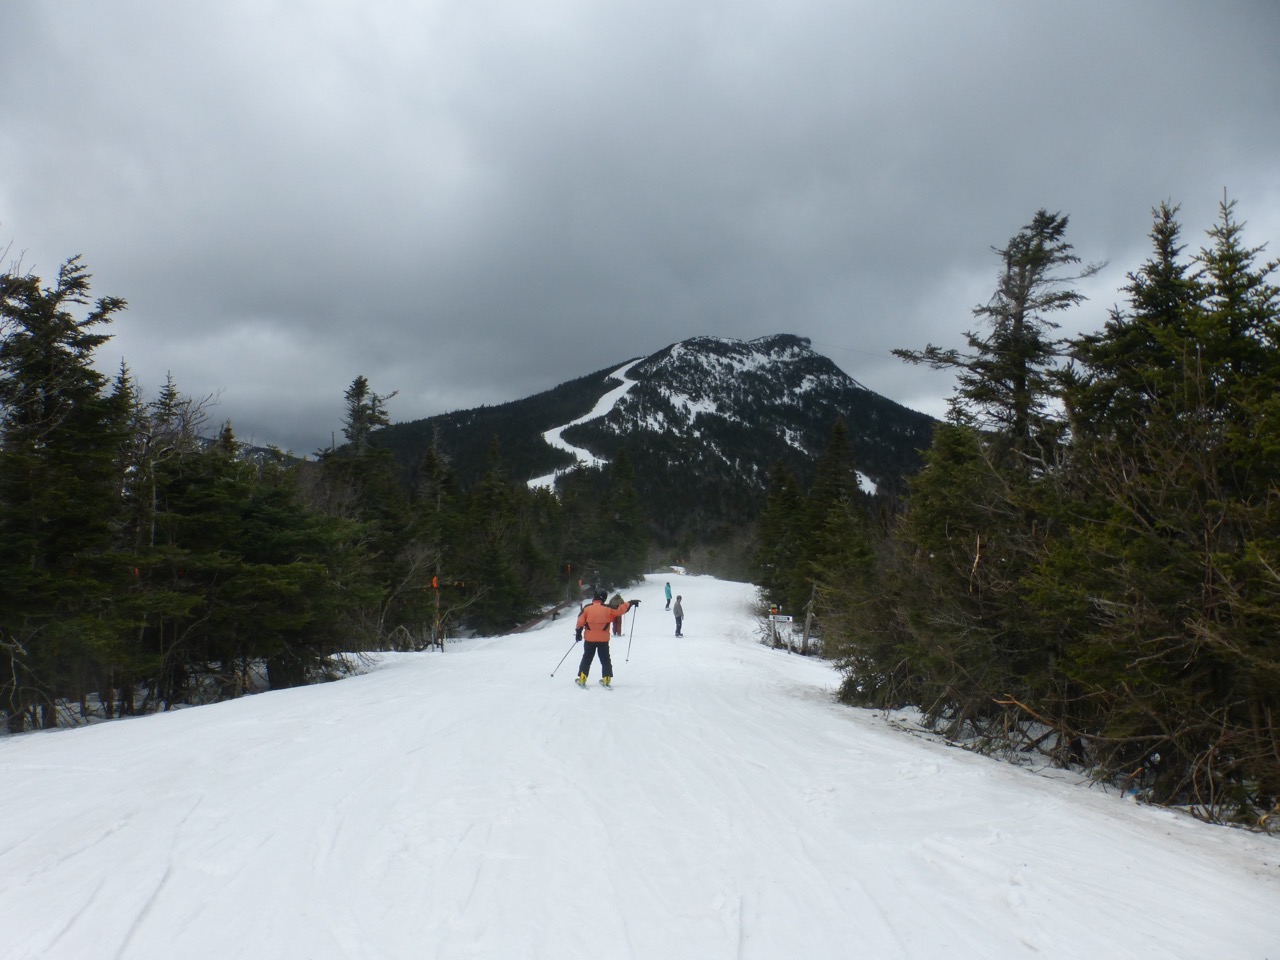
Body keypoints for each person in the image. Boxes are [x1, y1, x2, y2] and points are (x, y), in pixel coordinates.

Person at [575, 591, 640, 687]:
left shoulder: (587, 608)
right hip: (603, 640)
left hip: (589, 639)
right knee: (605, 659)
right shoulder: (608, 608)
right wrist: (630, 603)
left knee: (587, 658)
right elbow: (620, 609)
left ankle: (583, 678)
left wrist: (578, 633)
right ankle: (606, 679)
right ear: (603, 598)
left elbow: (580, 621)